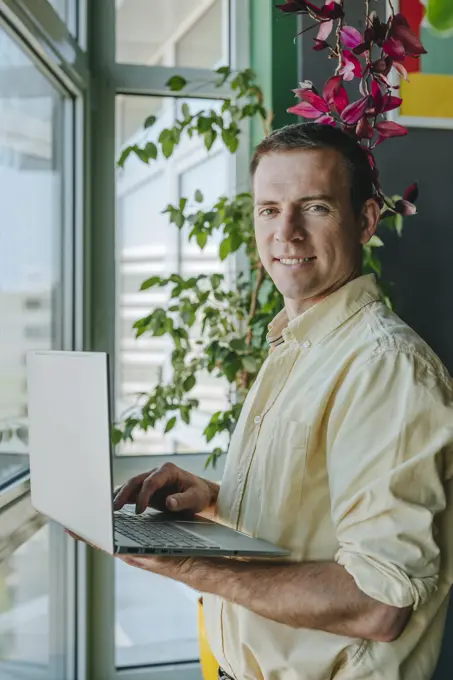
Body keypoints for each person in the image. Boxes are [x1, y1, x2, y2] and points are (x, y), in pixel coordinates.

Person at [113, 123, 453, 680]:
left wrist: (194, 569)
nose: (286, 233)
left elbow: (378, 602)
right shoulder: (296, 346)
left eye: (314, 207)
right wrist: (215, 501)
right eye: (269, 210)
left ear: (366, 220)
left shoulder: (386, 367)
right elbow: (320, 511)